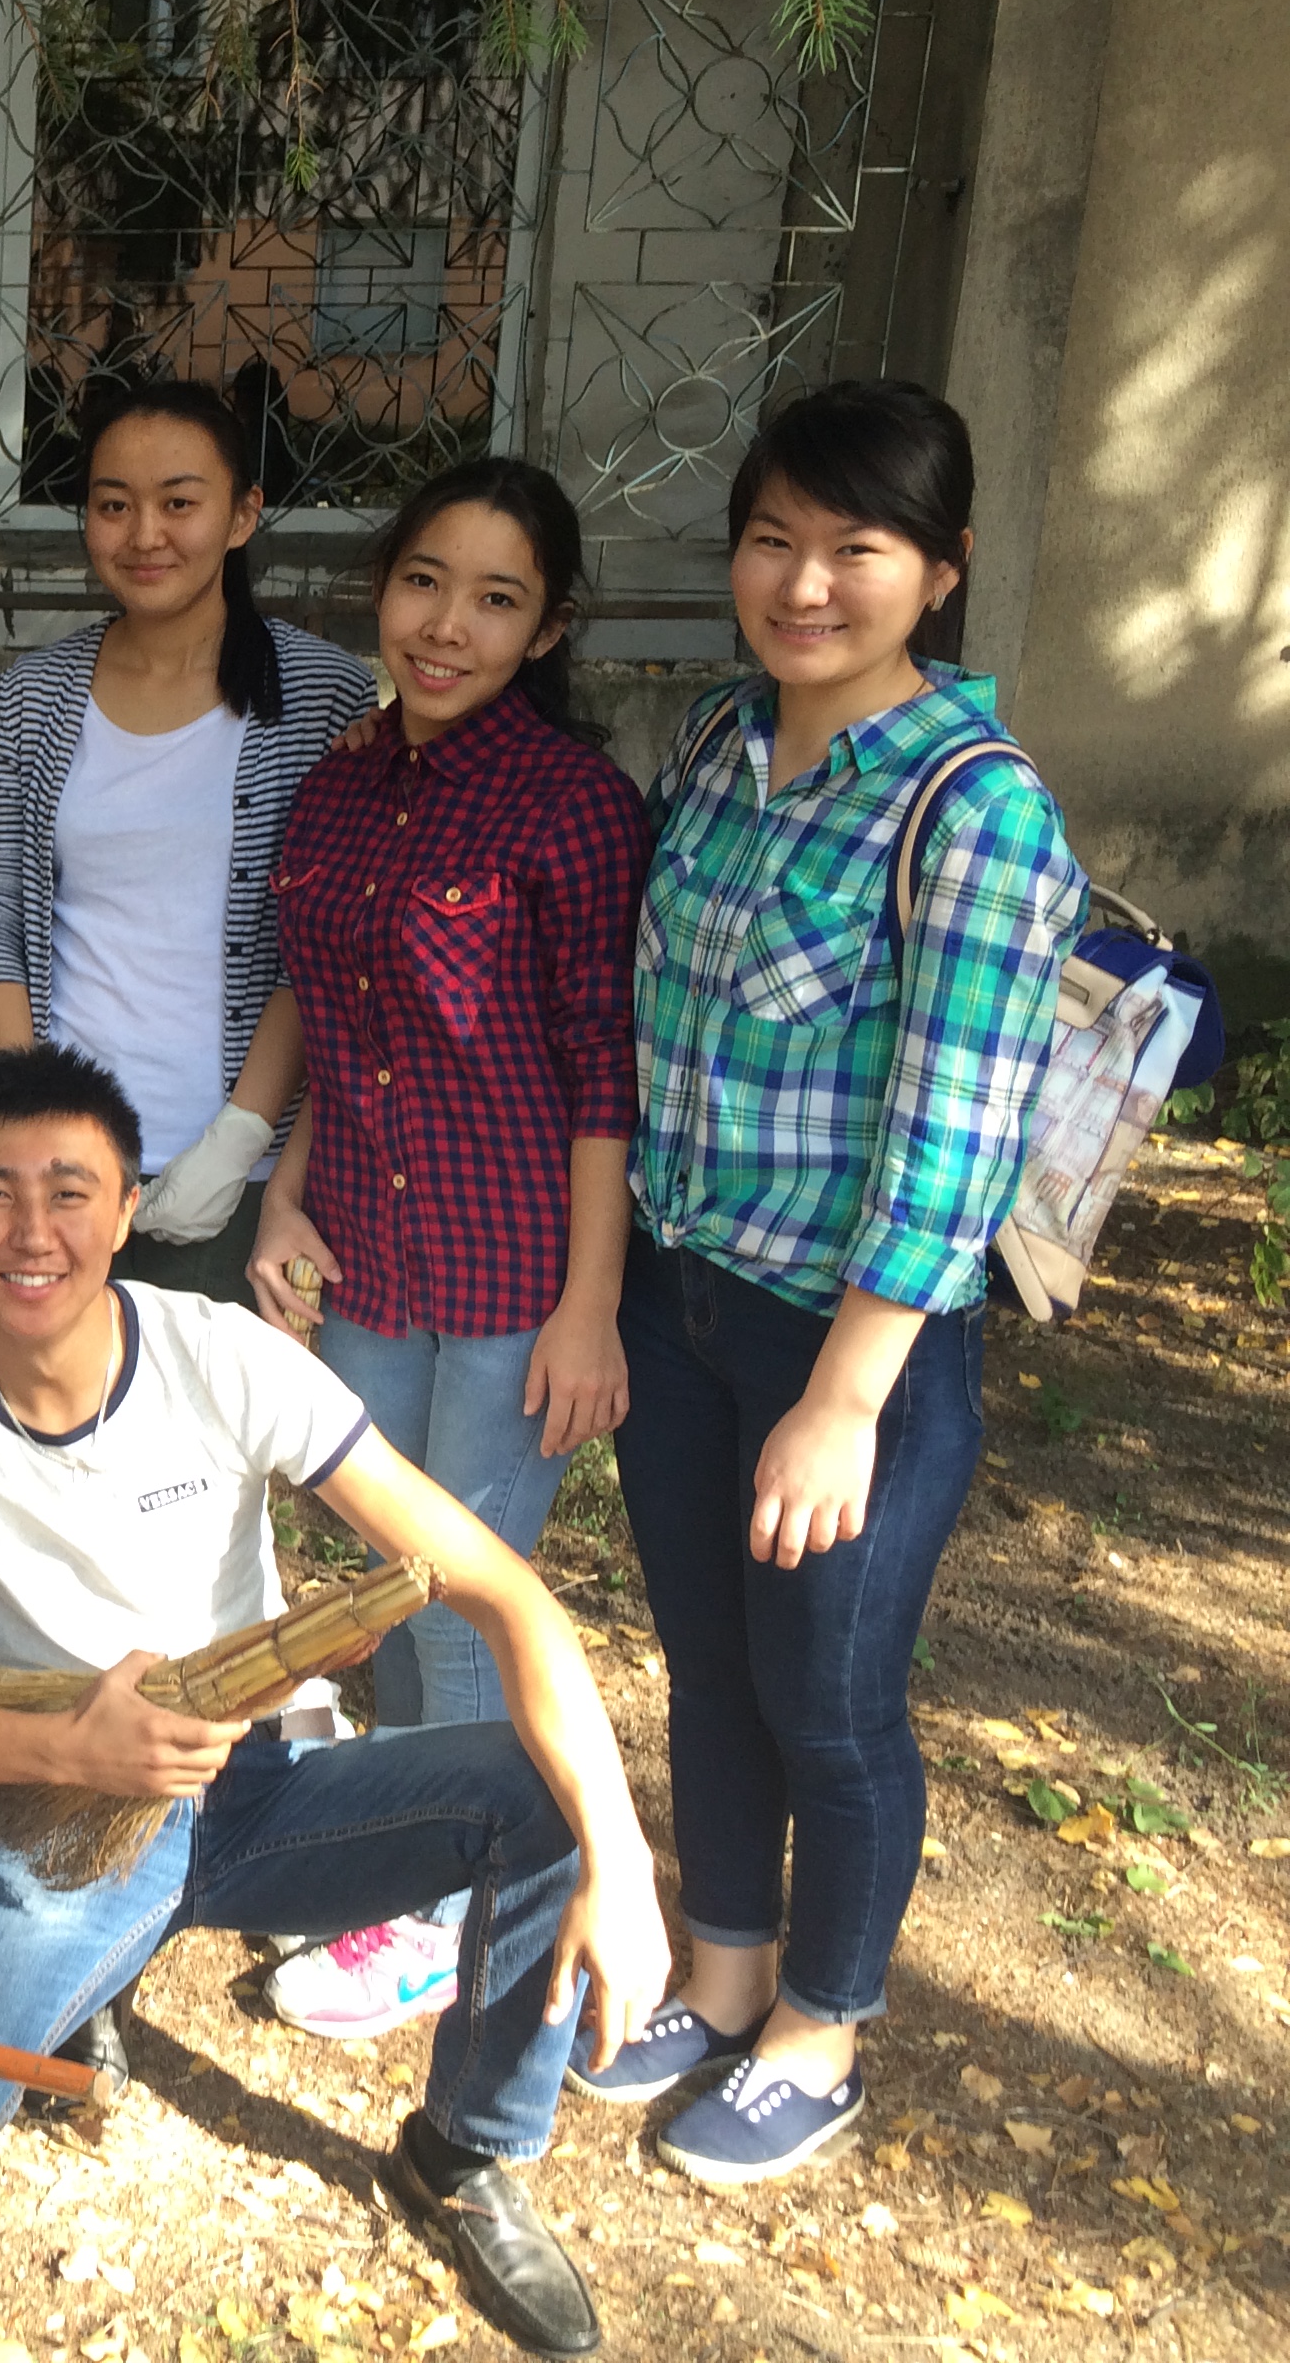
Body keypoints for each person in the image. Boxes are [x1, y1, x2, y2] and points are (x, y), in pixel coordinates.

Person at [0, 1045, 671, 2361]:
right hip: (78, 1806)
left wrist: (621, 1858)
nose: (33, 1232)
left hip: (266, 1775)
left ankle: (464, 2155)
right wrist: (51, 1753)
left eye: (71, 1191)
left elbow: (506, 1593)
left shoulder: (217, 1354)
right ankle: (100, 1966)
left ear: (127, 1208)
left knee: (545, 1790)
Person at [581, 381, 1084, 2182]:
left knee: (829, 1696)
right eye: (769, 540)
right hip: (681, 1301)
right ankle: (722, 1971)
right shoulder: (717, 744)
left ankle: (819, 2024)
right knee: (707, 1664)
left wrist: (845, 1396)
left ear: (938, 570)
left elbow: (953, 1133)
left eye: (853, 547)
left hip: (848, 1341)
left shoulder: (974, 809)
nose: (802, 584)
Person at [245, 461, 651, 2039]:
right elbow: (329, 1018)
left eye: (496, 600)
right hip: (362, 1251)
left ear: (545, 628)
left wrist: (591, 1305)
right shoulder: (340, 783)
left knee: (475, 1594)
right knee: (388, 1574)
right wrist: (285, 1198)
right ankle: (415, 1842)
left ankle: (450, 1910)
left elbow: (602, 1066)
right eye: (424, 583)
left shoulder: (569, 801)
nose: (447, 626)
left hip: (508, 1276)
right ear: (382, 589)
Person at [0, 380, 375, 1304]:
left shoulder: (322, 696)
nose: (145, 534)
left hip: (240, 1177)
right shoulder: (35, 694)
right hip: (62, 1168)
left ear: (243, 514)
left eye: (179, 503)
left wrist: (240, 1135)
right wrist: (31, 1113)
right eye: (113, 505)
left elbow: (320, 941)